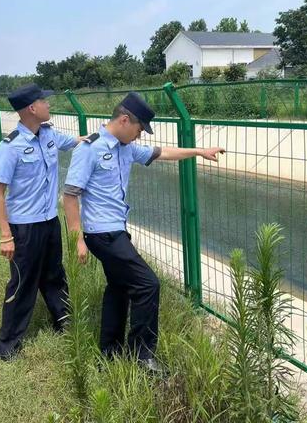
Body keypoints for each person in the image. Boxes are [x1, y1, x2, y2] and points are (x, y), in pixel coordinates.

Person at [63, 91, 224, 372]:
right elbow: (70, 196)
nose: (139, 136)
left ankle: (110, 353)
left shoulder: (126, 148)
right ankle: (143, 357)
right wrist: (77, 241)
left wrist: (198, 151)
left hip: (117, 231)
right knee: (148, 284)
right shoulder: (90, 148)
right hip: (102, 234)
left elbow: (163, 153)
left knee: (119, 288)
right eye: (139, 129)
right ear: (125, 120)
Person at [0, 83, 81, 360]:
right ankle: (8, 346)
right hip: (24, 227)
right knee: (23, 283)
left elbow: (79, 141)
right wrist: (6, 235)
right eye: (45, 101)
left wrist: (108, 133)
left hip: (49, 221)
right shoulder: (11, 147)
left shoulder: (49, 135)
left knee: (54, 274)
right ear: (32, 108)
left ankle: (63, 322)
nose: (49, 105)